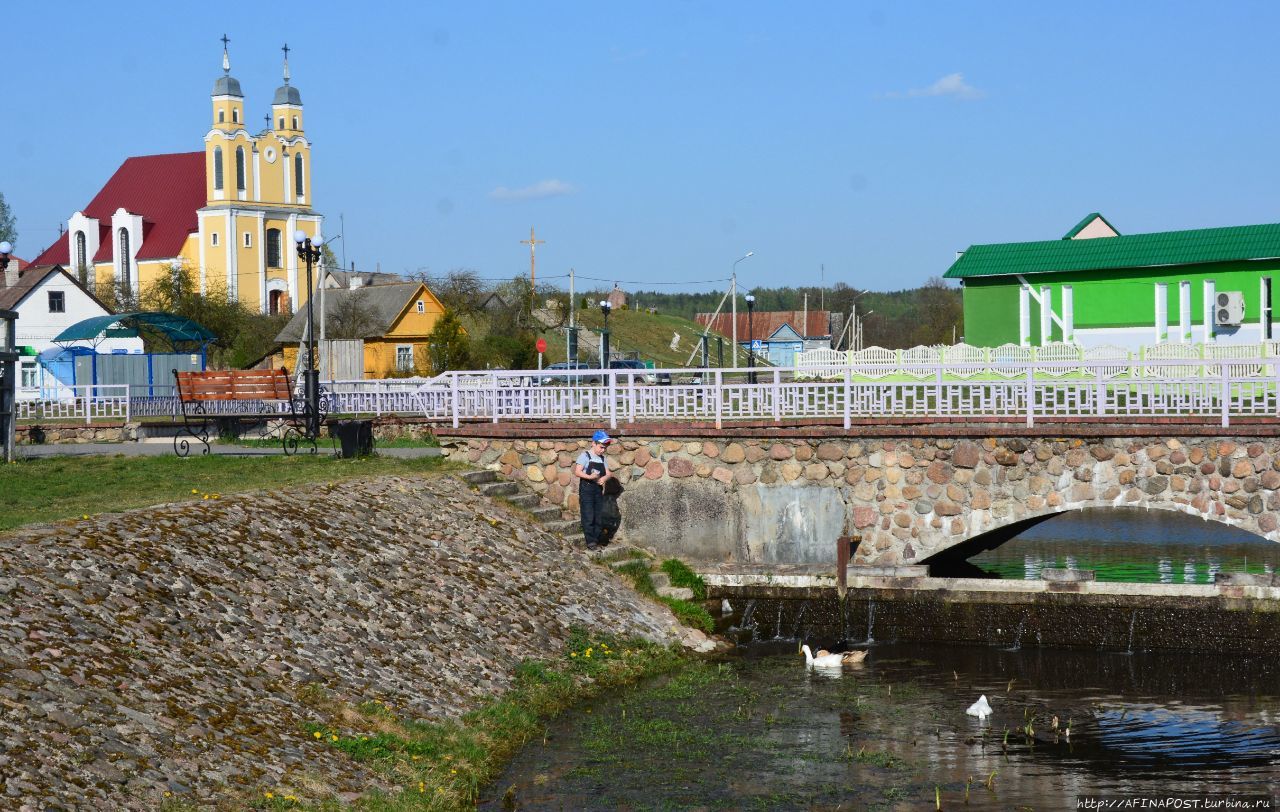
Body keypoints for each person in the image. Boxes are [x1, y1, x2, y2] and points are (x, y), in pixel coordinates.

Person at [574, 429, 614, 551]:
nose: (603, 450)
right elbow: (577, 472)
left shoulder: (602, 458)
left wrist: (604, 478)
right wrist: (590, 477)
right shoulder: (585, 456)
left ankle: (596, 539)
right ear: (593, 443)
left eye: (605, 448)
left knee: (598, 516)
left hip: (597, 489)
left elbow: (608, 473)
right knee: (588, 515)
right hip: (586, 488)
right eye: (601, 447)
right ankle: (590, 541)